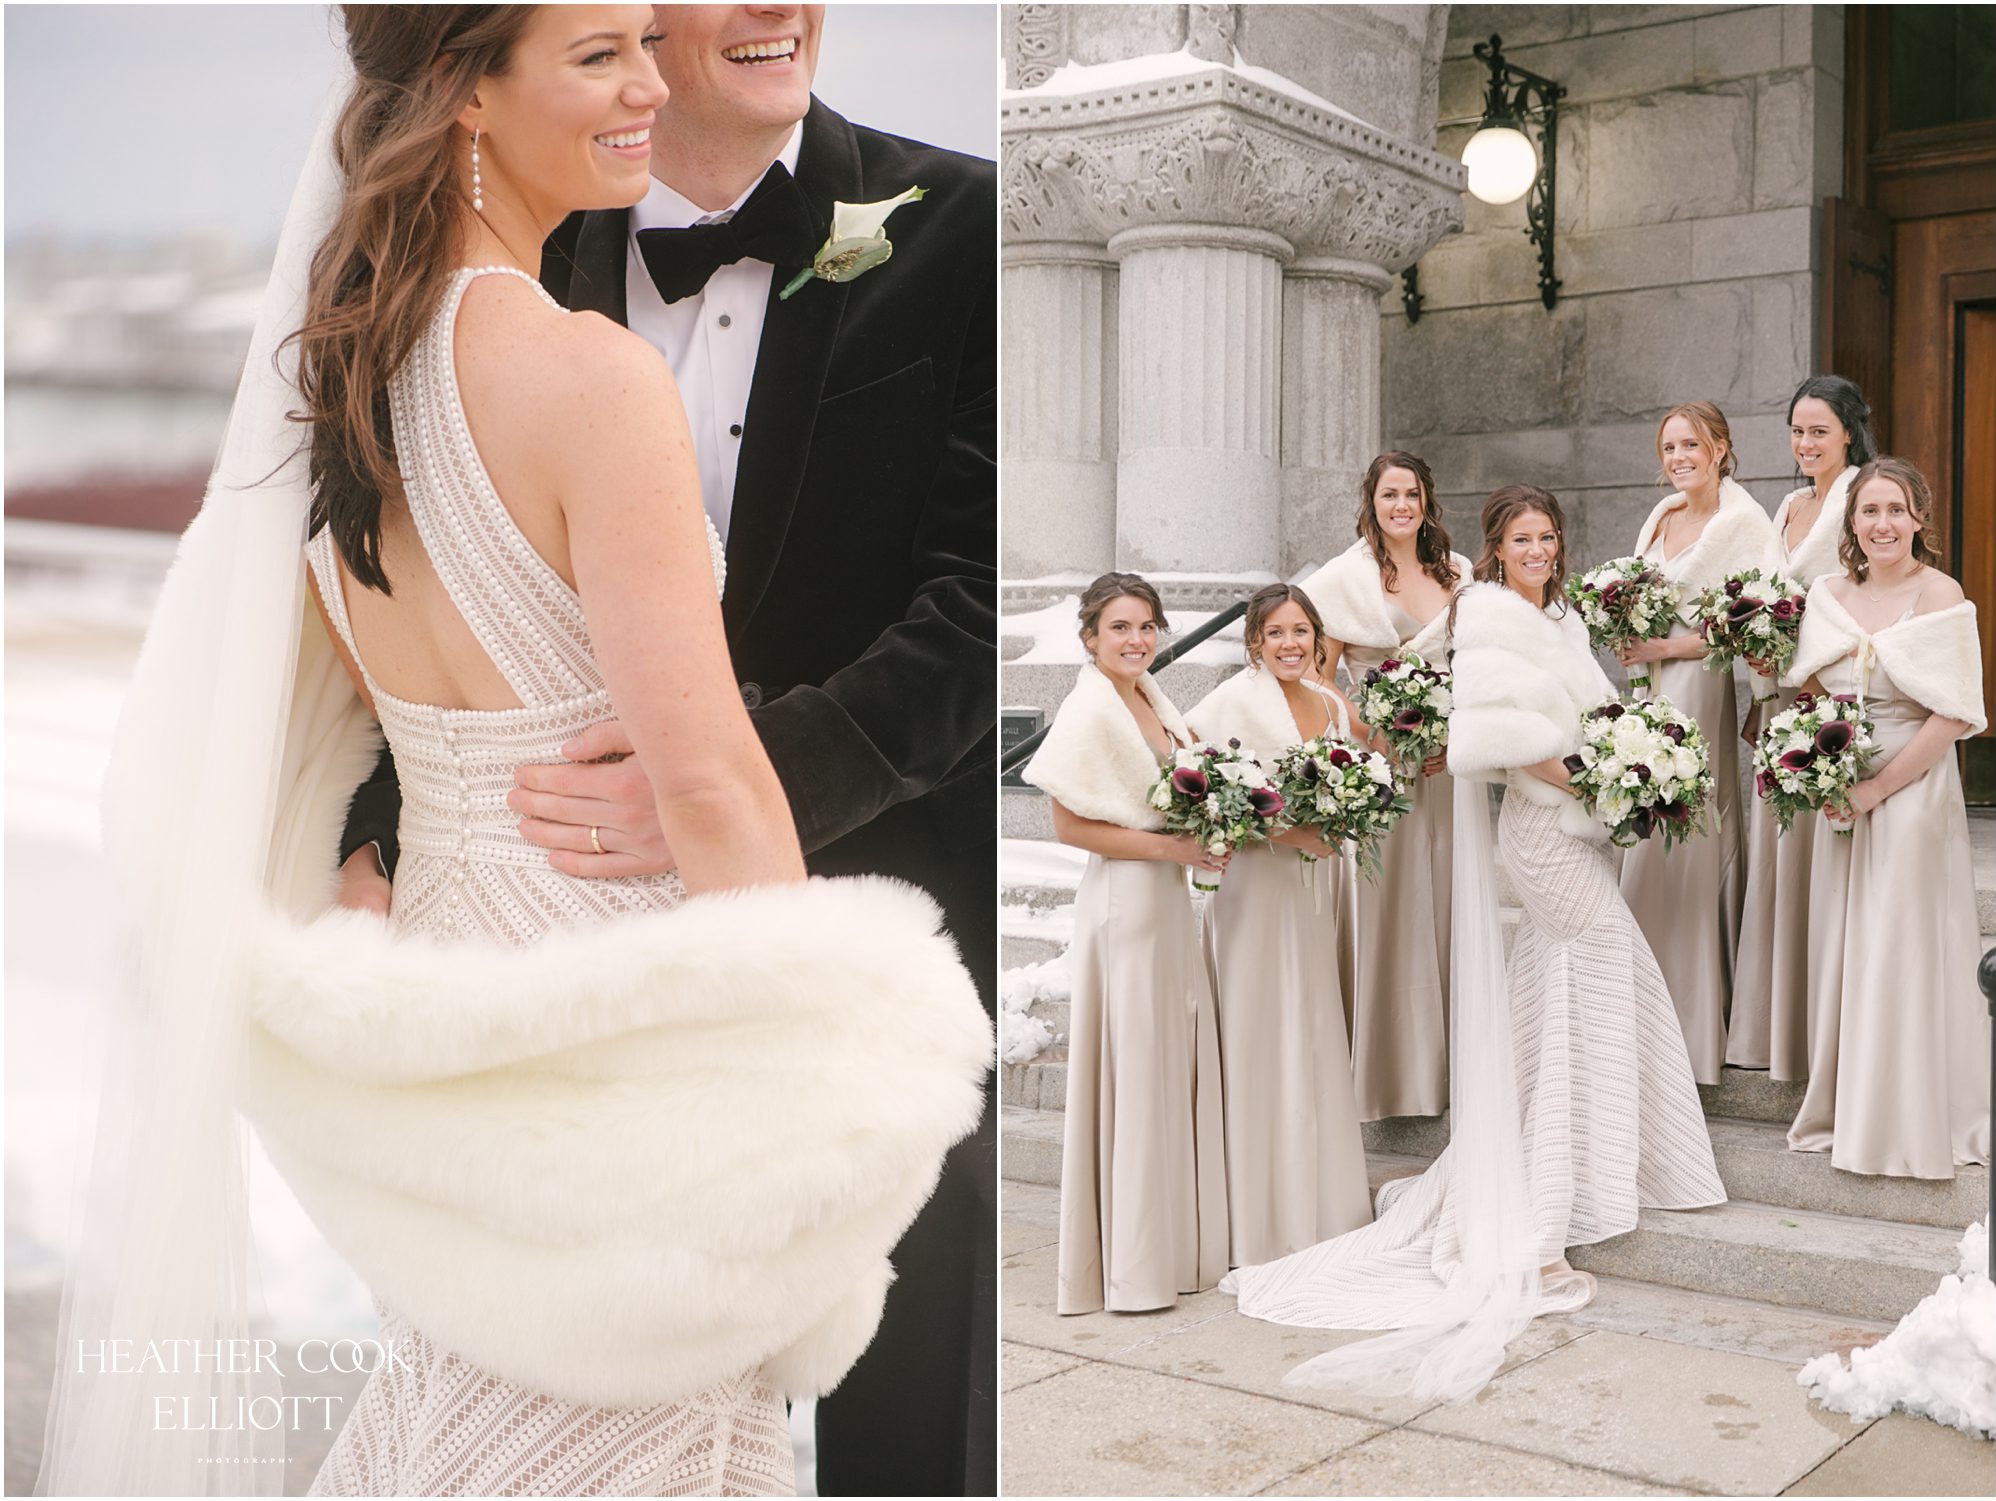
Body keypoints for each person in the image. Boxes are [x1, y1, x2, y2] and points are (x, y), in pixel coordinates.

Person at [35, 9, 990, 1496]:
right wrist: (818, 1114)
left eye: (638, 48)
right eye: (601, 55)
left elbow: (380, 697)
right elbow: (715, 785)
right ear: (467, 95)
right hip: (625, 1024)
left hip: (456, 1018)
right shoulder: (592, 378)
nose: (648, 85)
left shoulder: (342, 368)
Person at [329, 6, 1000, 1491]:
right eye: (615, 42)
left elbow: (977, 604)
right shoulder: (555, 297)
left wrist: (749, 782)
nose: (781, 7)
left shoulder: (964, 225)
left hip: (840, 883)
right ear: (475, 98)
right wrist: (386, 815)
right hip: (639, 987)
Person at [1224, 487, 1725, 1404]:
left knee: (1565, 994)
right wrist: (1606, 778)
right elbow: (1506, 741)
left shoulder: (1563, 616)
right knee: (1608, 969)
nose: (1537, 548)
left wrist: (1638, 761)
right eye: (1521, 537)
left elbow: (1597, 717)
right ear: (1495, 548)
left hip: (1580, 830)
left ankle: (1567, 1166)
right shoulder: (1490, 617)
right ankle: (1543, 1213)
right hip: (1544, 833)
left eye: (1548, 536)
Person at [1024, 573, 1228, 1314]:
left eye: (1146, 626)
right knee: (1136, 1071)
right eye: (1119, 627)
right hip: (1125, 902)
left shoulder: (1149, 698)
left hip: (1164, 902)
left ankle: (1166, 1248)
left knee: (1161, 1066)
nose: (1136, 639)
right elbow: (1072, 828)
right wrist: (1174, 851)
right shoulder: (1088, 710)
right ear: (1089, 637)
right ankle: (1132, 1271)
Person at [1782, 458, 1990, 1178]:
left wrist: (1879, 788)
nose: (1882, 524)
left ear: (1919, 519)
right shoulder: (1829, 594)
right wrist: (1823, 758)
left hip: (1913, 792)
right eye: (1869, 511)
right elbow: (1806, 681)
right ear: (1853, 524)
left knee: (1902, 945)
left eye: (1896, 510)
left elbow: (1954, 712)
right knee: (1851, 945)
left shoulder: (1941, 593)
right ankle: (1851, 1104)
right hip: (1841, 792)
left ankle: (1907, 1115)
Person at [1188, 584, 1372, 1268]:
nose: (1291, 644)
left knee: (1311, 1026)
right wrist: (1286, 829)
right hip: (1255, 889)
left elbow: (1358, 769)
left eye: (1301, 631)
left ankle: (1317, 1199)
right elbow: (1196, 785)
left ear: (1317, 638)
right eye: (1277, 633)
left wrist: (1347, 814)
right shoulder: (1226, 703)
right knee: (1257, 1028)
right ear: (1254, 642)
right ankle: (1255, 1212)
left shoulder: (1327, 703)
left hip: (1315, 883)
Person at [1298, 452, 1469, 1122]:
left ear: (1428, 500)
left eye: (1413, 494)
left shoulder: (1459, 573)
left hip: (1444, 769)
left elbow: (1478, 663)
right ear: (1371, 501)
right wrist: (1371, 731)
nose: (1402, 505)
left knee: (1444, 900)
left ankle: (1443, 1064)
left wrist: (1453, 737)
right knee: (1388, 904)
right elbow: (1316, 677)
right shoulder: (1343, 579)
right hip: (1382, 766)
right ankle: (1384, 1073)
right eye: (1390, 494)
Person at [1615, 402, 1782, 1086]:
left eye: (1692, 444)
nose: (1679, 455)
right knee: (1642, 823)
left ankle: (1689, 1021)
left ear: (1721, 448)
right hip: (1650, 687)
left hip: (1700, 685)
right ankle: (1634, 1008)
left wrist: (1663, 644)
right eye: (1670, 445)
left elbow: (1753, 618)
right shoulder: (1659, 518)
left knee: (1686, 827)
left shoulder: (1742, 522)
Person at [1727, 376, 1873, 1077]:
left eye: (1819, 429)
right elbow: (1769, 597)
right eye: (1796, 431)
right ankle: (1772, 1027)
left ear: (1849, 430)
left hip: (1831, 697)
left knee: (1820, 859)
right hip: (1780, 697)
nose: (1806, 442)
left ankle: (1824, 1030)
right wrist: (1763, 679)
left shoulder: (1862, 498)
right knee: (1776, 857)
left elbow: (1864, 594)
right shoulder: (1787, 504)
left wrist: (1810, 672)